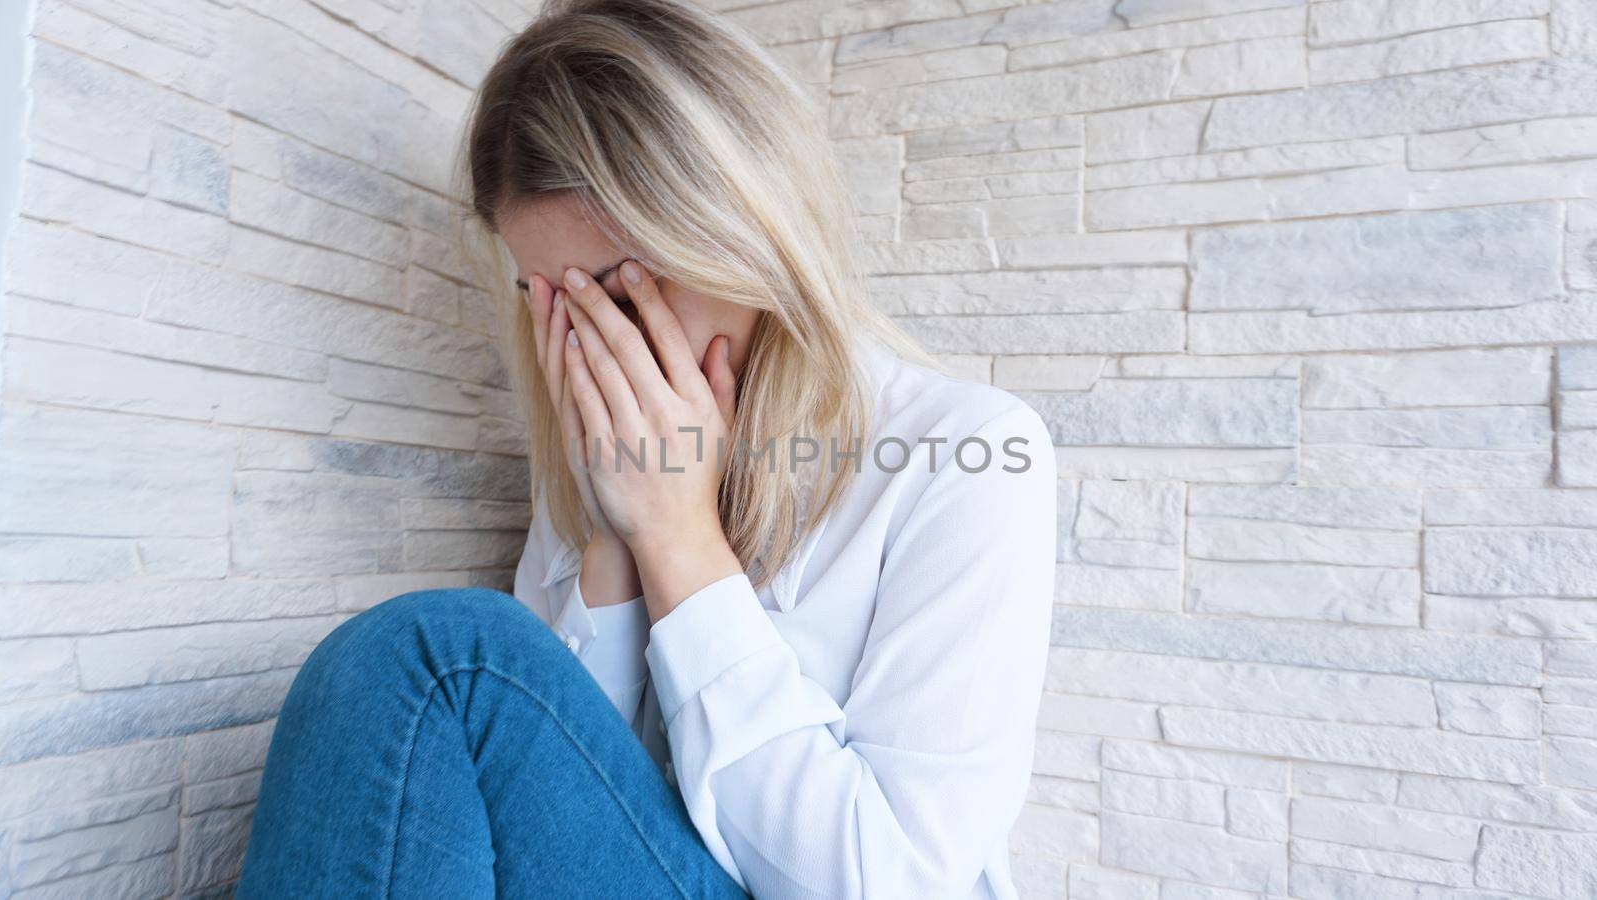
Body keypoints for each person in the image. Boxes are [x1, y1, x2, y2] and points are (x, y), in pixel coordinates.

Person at [237, 0, 1056, 896]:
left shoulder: (965, 451)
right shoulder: (599, 455)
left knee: (440, 656)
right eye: (554, 303)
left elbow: (891, 881)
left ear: (748, 233)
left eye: (626, 295)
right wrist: (612, 535)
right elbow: (553, 810)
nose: (599, 352)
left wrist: (681, 541)